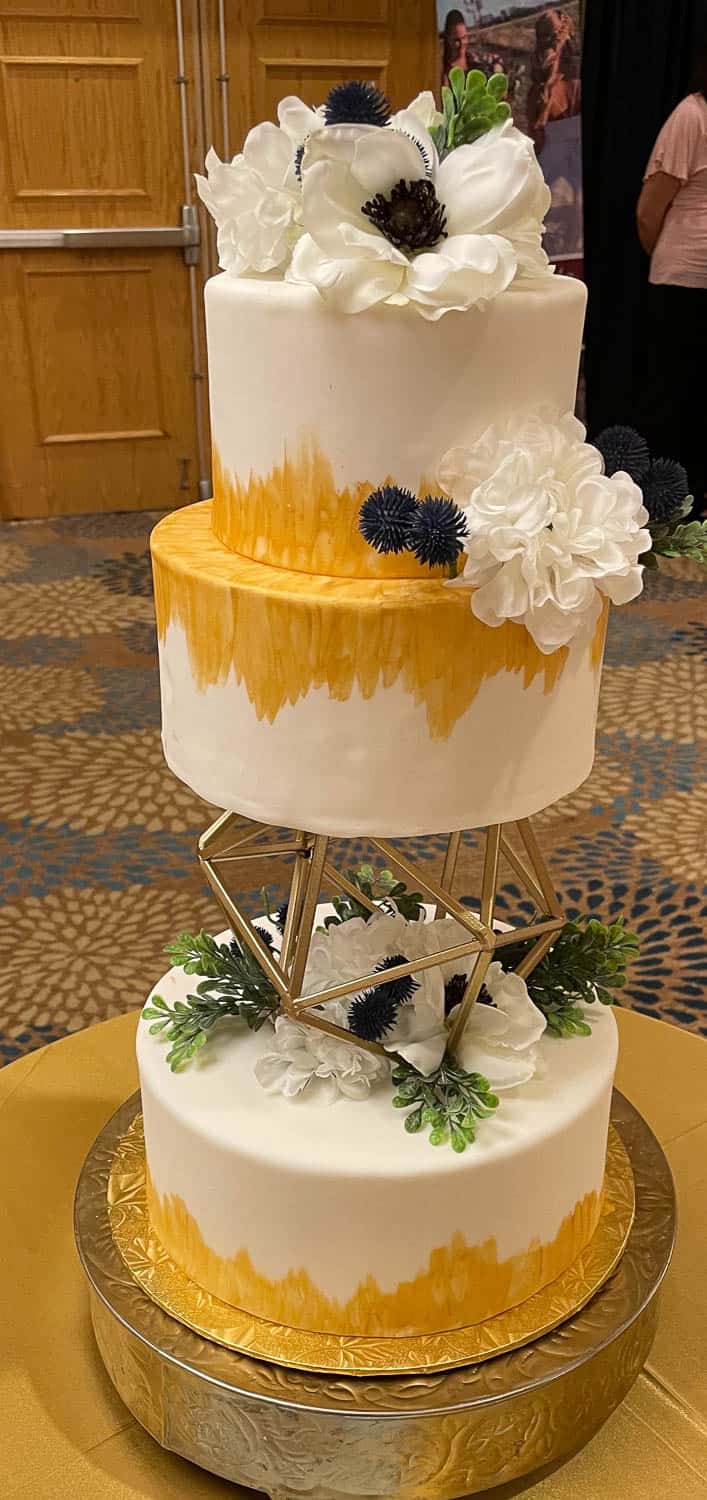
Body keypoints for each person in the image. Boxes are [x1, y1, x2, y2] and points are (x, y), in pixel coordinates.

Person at [636, 36, 707, 512]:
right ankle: (666, 506)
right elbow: (649, 211)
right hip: (681, 282)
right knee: (673, 396)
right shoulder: (692, 114)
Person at [442, 9, 468, 88]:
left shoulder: (473, 58)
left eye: (464, 38)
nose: (461, 44)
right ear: (448, 39)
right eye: (456, 40)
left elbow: (496, 59)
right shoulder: (444, 71)